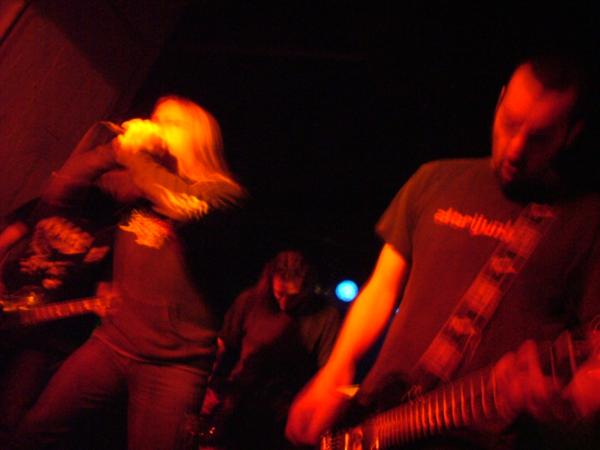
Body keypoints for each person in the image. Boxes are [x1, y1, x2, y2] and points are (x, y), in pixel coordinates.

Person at [285, 54, 600, 449]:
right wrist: (336, 370)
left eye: (539, 137)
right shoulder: (435, 179)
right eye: (510, 124)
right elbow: (382, 288)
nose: (516, 149)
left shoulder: (588, 221)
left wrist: (573, 397)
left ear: (571, 133)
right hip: (379, 420)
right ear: (500, 101)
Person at [7, 95, 246, 450]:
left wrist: (134, 155)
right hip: (112, 344)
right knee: (36, 431)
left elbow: (180, 204)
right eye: (155, 119)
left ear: (197, 138)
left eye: (170, 123)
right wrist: (115, 150)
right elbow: (60, 190)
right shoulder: (138, 183)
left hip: (174, 366)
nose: (156, 128)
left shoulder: (222, 194)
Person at [200, 250, 342, 450]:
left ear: (307, 288)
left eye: (293, 297)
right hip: (238, 405)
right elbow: (223, 346)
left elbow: (328, 372)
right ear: (270, 283)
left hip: (287, 414)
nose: (285, 303)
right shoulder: (250, 301)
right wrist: (207, 386)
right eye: (279, 294)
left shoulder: (326, 316)